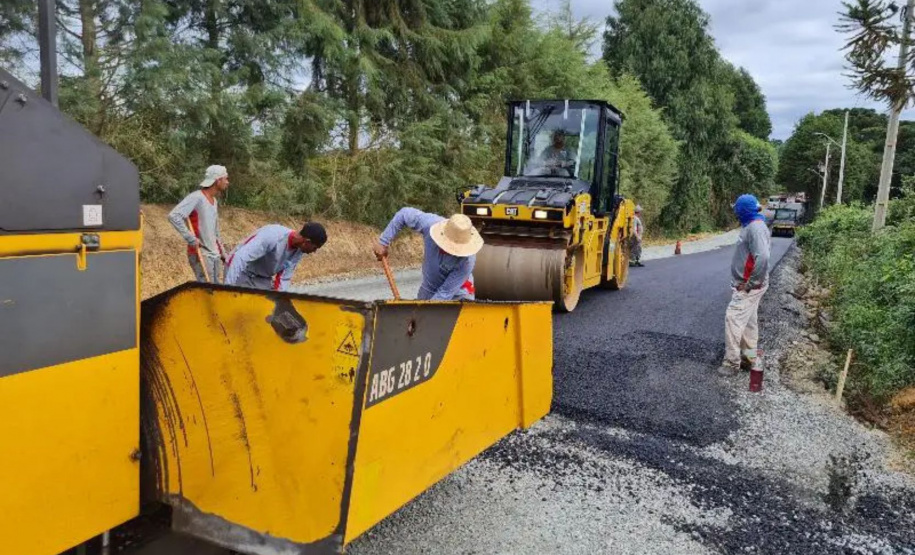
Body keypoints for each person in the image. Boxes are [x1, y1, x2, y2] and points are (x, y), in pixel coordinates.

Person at [373, 209, 483, 300]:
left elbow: (444, 294)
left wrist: (425, 312)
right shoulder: (431, 224)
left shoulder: (467, 261)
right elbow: (404, 214)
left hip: (458, 294)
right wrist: (383, 241)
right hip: (429, 287)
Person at [719, 194, 772, 377]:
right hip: (751, 284)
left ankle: (731, 362)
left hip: (749, 286)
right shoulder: (754, 225)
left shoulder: (755, 228)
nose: (736, 213)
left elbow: (763, 257)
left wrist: (751, 283)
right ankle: (750, 359)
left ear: (743, 211)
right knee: (749, 324)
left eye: (737, 210)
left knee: (733, 318)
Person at [168, 165, 229, 283]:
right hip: (201, 253)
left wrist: (222, 252)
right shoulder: (196, 197)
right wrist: (190, 238)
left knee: (216, 293)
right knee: (207, 293)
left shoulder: (214, 201)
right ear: (217, 180)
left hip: (214, 255)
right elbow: (174, 216)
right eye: (225, 178)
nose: (227, 182)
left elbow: (215, 231)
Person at [224, 222, 327, 291]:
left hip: (262, 279)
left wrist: (280, 303)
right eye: (314, 248)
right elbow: (240, 258)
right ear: (307, 242)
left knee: (265, 312)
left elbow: (283, 278)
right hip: (241, 270)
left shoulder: (299, 251)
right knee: (237, 312)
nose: (314, 252)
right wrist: (227, 290)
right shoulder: (273, 236)